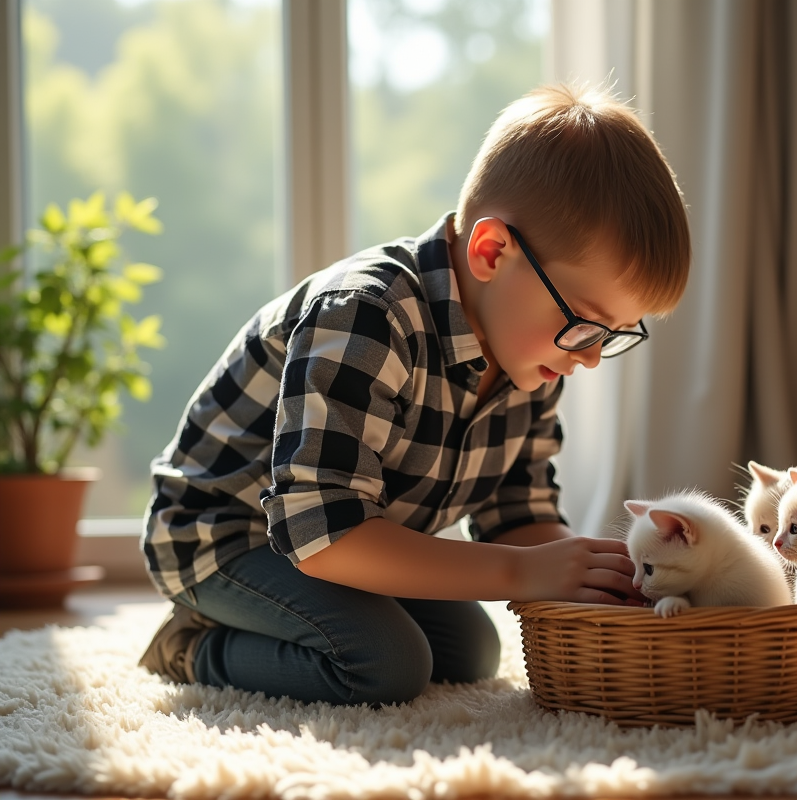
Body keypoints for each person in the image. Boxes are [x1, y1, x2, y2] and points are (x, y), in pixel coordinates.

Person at [136, 83, 692, 706]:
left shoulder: (533, 354)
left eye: (614, 335)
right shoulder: (367, 314)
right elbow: (322, 531)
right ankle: (191, 645)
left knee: (469, 653)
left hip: (349, 540)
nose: (590, 356)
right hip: (226, 536)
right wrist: (522, 573)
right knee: (385, 665)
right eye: (586, 324)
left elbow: (518, 516)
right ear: (492, 251)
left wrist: (595, 576)